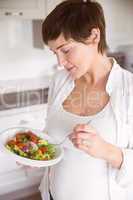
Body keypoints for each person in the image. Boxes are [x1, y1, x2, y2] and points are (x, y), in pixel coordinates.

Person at [39, 0, 133, 200]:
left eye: (65, 50)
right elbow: (50, 138)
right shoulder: (59, 81)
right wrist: (34, 151)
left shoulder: (129, 90)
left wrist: (106, 150)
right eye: (54, 53)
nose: (60, 62)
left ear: (94, 36)